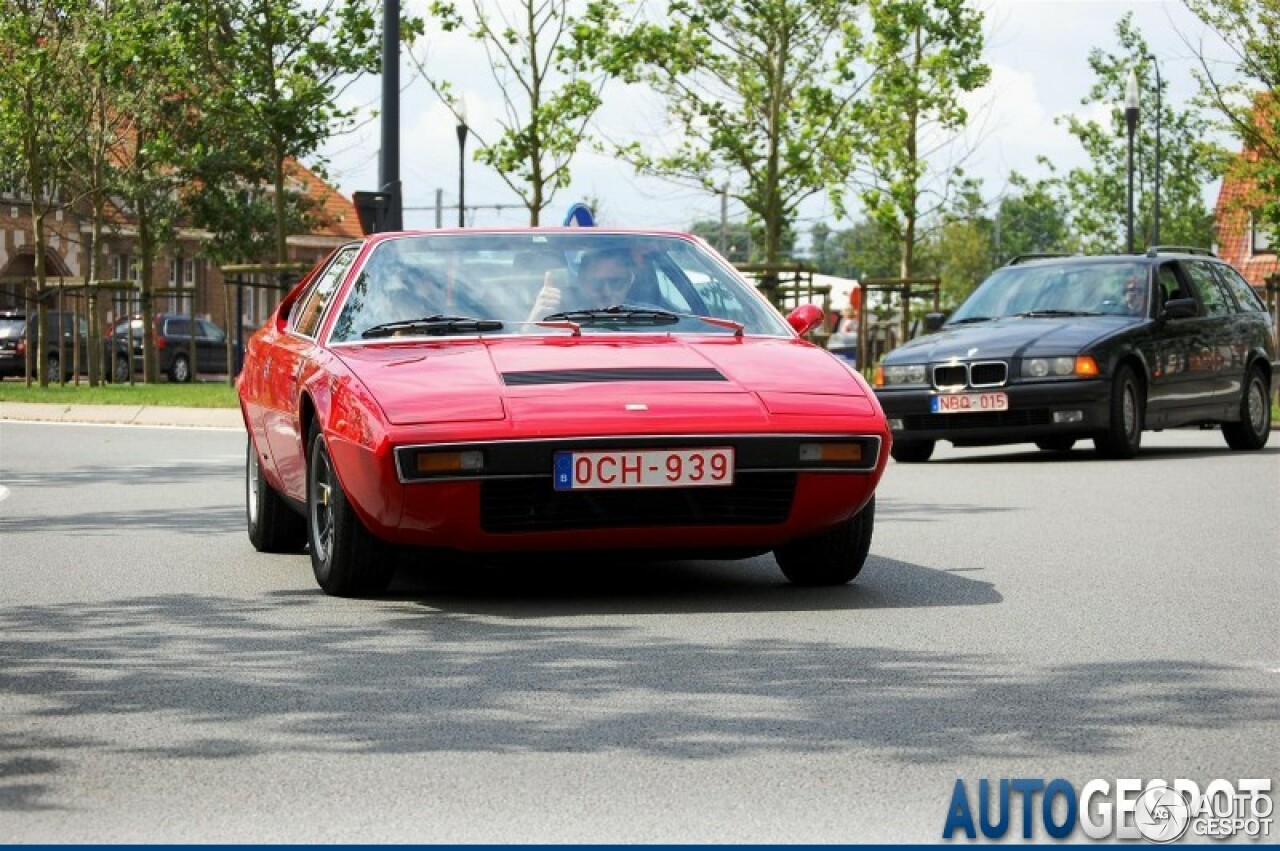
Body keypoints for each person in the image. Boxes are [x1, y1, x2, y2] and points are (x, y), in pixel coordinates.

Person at [527, 248, 636, 320]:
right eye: (596, 283)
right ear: (582, 283)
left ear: (629, 282)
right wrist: (535, 321)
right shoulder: (557, 317)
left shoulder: (651, 318)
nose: (606, 292)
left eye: (615, 282)